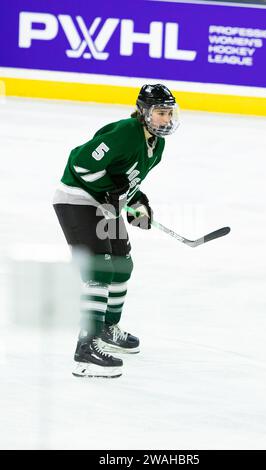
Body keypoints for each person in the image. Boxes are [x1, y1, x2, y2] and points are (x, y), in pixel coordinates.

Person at [53, 84, 179, 378]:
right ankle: (86, 348)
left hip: (103, 205)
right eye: (160, 112)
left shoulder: (157, 146)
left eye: (169, 112)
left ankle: (108, 330)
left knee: (121, 264)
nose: (166, 119)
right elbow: (81, 164)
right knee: (100, 268)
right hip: (78, 199)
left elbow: (124, 180)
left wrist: (138, 205)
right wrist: (111, 192)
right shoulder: (125, 131)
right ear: (144, 112)